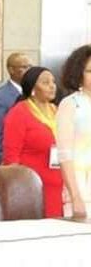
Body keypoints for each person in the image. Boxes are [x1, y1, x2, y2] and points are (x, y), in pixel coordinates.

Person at [2, 67, 62, 217]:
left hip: (60, 184)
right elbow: (11, 158)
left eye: (53, 82)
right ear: (32, 89)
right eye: (45, 82)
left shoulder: (57, 110)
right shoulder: (18, 113)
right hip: (34, 188)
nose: (52, 86)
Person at [57, 45, 91, 217]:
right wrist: (76, 196)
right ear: (78, 74)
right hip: (81, 186)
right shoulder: (70, 104)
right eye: (90, 71)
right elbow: (65, 155)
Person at [0, 53, 32, 165]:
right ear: (11, 70)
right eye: (24, 67)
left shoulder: (34, 93)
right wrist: (1, 164)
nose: (28, 71)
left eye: (30, 67)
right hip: (12, 161)